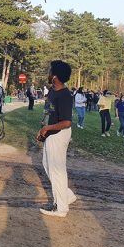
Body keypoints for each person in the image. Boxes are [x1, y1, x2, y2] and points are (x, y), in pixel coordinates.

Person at [36, 60, 76, 217]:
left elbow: (66, 122)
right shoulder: (52, 91)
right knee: (47, 165)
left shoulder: (65, 95)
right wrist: (42, 130)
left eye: (50, 71)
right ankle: (66, 195)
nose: (48, 73)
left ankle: (61, 208)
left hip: (59, 134)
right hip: (50, 133)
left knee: (57, 170)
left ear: (55, 77)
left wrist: (47, 129)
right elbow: (48, 114)